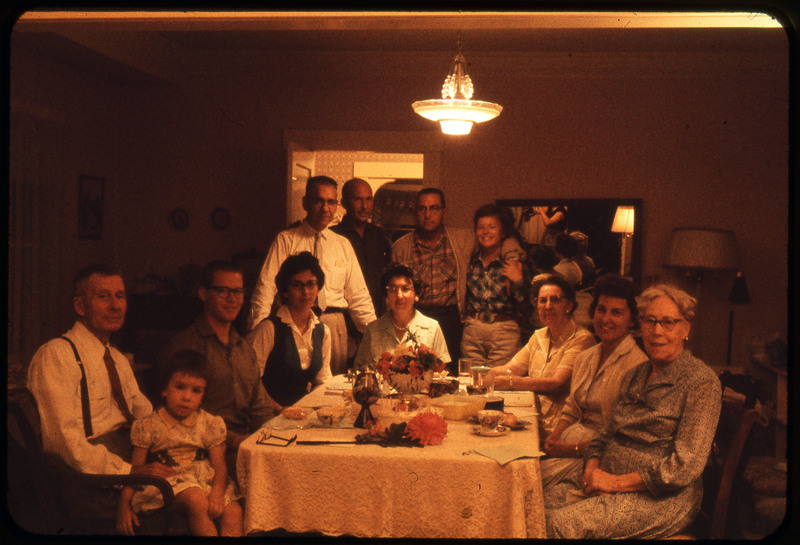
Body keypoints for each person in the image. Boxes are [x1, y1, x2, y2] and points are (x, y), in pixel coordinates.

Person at [544, 284, 722, 539]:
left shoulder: (700, 382)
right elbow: (605, 436)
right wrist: (592, 471)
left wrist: (614, 483)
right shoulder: (635, 376)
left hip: (661, 497)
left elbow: (684, 467)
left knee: (560, 525)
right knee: (535, 504)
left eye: (668, 322)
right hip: (607, 475)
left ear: (686, 329)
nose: (656, 331)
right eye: (650, 321)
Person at [27, 264, 175, 516]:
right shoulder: (56, 354)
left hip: (131, 458)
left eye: (120, 296)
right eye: (103, 296)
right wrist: (130, 472)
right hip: (90, 481)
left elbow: (146, 416)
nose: (116, 306)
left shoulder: (117, 358)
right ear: (80, 306)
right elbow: (65, 444)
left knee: (211, 491)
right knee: (187, 506)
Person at [247, 176, 376, 375]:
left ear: (337, 205)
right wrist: (256, 332)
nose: (325, 208)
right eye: (318, 201)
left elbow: (359, 297)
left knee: (331, 390)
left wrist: (375, 339)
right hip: (294, 325)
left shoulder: (343, 245)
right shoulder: (286, 240)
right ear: (305, 203)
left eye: (331, 202)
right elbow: (265, 288)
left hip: (334, 326)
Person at [162, 260, 277, 476]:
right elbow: (181, 413)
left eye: (237, 292)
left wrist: (268, 437)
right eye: (223, 291)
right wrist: (236, 440)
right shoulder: (186, 346)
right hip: (202, 451)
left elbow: (260, 406)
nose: (232, 299)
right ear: (204, 293)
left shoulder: (244, 348)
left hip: (247, 445)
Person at [116, 351, 243, 537]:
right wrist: (124, 504)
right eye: (180, 387)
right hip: (169, 483)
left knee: (234, 511)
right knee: (197, 499)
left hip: (205, 479)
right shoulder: (149, 425)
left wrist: (217, 493)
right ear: (164, 389)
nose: (187, 397)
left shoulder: (209, 424)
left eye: (196, 391)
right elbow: (137, 469)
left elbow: (220, 467)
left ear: (202, 396)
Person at [540, 274, 648, 487]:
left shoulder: (638, 366)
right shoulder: (586, 356)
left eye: (616, 313)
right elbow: (571, 409)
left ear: (632, 319)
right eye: (601, 310)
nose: (606, 319)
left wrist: (568, 449)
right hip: (568, 444)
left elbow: (622, 438)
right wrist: (555, 438)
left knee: (532, 480)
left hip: (599, 457)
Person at [488, 275, 595, 434]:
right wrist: (481, 375)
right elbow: (511, 369)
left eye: (555, 300)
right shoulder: (539, 336)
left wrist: (511, 382)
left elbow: (556, 382)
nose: (548, 306)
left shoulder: (581, 339)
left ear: (569, 305)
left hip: (560, 426)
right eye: (542, 300)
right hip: (534, 417)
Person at [391, 188, 474, 374]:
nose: (428, 215)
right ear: (416, 212)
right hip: (417, 320)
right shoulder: (400, 248)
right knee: (415, 375)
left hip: (452, 321)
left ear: (444, 212)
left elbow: (498, 238)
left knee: (450, 376)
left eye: (434, 208)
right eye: (422, 209)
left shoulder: (464, 240)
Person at [247, 252, 332, 407]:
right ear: (285, 291)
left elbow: (322, 380)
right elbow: (252, 382)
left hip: (302, 411)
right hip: (268, 411)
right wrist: (281, 410)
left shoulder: (323, 331)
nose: (305, 292)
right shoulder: (269, 329)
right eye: (297, 285)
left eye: (311, 284)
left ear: (318, 288)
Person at [461, 204, 530, 367]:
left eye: (492, 227)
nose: (485, 232)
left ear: (503, 231)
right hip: (472, 330)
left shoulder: (513, 262)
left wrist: (518, 280)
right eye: (481, 227)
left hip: (504, 331)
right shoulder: (470, 258)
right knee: (471, 382)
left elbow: (527, 304)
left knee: (500, 383)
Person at [354, 263, 450, 370]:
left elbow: (442, 372)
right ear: (387, 295)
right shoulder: (373, 330)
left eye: (405, 289)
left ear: (416, 295)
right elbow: (360, 372)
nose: (399, 295)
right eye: (393, 289)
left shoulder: (432, 327)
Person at [330, 177, 392, 315]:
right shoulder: (333, 237)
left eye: (368, 199)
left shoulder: (379, 235)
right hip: (345, 317)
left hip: (377, 315)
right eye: (358, 199)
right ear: (344, 203)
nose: (364, 206)